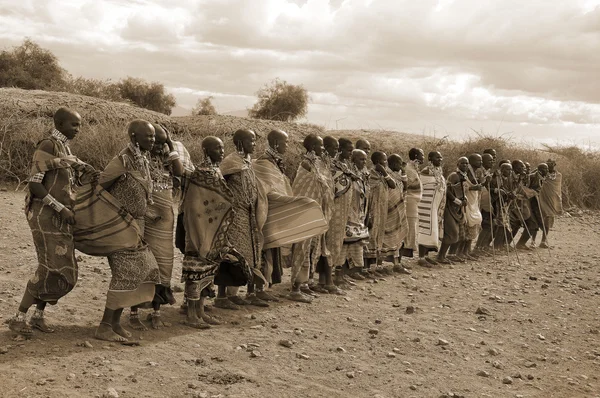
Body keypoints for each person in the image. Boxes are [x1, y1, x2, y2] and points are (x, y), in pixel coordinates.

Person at [8, 107, 99, 337]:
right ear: (59, 123)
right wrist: (60, 208)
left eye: (79, 124)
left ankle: (38, 316)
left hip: (61, 216)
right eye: (74, 125)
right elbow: (35, 185)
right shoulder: (47, 145)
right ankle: (19, 318)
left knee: (61, 268)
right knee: (49, 266)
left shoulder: (64, 148)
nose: (78, 129)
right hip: (45, 215)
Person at [95, 120, 161, 342]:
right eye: (148, 136)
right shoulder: (122, 160)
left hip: (137, 226)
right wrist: (116, 212)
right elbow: (99, 188)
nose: (152, 140)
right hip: (119, 227)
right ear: (134, 137)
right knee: (124, 273)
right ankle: (105, 326)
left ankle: (114, 323)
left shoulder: (142, 159)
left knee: (144, 268)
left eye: (153, 136)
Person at [180, 136, 244, 328]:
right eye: (217, 148)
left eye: (223, 148)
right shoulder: (201, 173)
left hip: (213, 229)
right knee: (195, 272)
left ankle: (200, 311)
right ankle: (192, 315)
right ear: (206, 151)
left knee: (208, 273)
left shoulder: (215, 170)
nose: (221, 151)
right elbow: (196, 204)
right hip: (199, 230)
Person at [218, 129, 267, 308]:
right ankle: (222, 297)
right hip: (234, 216)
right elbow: (218, 183)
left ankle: (237, 293)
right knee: (231, 255)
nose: (254, 144)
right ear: (239, 142)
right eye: (251, 141)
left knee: (249, 253)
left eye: (254, 141)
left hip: (248, 215)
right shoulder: (230, 162)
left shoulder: (247, 162)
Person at [291, 134, 343, 296]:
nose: (323, 149)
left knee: (314, 249)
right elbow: (302, 187)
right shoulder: (306, 165)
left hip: (319, 212)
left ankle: (307, 282)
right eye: (321, 146)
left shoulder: (320, 164)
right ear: (313, 147)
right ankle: (296, 287)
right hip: (307, 212)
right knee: (302, 249)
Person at [143, 123, 184, 328]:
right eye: (156, 142)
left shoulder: (166, 159)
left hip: (166, 220)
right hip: (146, 220)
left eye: (162, 143)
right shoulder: (140, 160)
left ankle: (156, 311)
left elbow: (180, 171)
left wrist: (169, 144)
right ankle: (134, 311)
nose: (158, 146)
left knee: (164, 264)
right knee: (144, 264)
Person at [327, 138, 356, 288]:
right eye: (348, 150)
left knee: (341, 243)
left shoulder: (345, 165)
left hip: (344, 211)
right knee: (332, 243)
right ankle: (328, 279)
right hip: (335, 211)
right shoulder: (331, 166)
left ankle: (338, 276)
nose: (351, 153)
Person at [365, 151, 396, 275]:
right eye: (384, 160)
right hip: (372, 210)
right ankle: (368, 268)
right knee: (371, 237)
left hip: (382, 210)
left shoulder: (384, 175)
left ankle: (376, 266)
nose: (386, 163)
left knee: (379, 237)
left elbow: (392, 185)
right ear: (378, 162)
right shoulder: (370, 174)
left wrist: (384, 173)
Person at [342, 149, 370, 280]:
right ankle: (341, 274)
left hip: (359, 213)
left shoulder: (362, 174)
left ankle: (353, 271)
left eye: (365, 159)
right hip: (348, 212)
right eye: (361, 159)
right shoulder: (349, 173)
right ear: (353, 159)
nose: (364, 162)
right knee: (347, 242)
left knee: (357, 242)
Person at [436, 157, 469, 264]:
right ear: (458, 164)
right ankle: (440, 256)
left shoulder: (463, 176)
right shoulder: (454, 175)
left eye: (466, 163)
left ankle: (451, 254)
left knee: (460, 233)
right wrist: (458, 201)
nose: (465, 165)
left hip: (458, 209)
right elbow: (448, 191)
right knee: (451, 233)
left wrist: (464, 199)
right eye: (462, 163)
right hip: (450, 207)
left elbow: (462, 191)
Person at [416, 151, 446, 267]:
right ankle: (421, 257)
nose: (440, 159)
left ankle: (427, 256)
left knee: (432, 231)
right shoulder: (426, 171)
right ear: (430, 159)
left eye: (441, 157)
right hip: (426, 206)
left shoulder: (438, 172)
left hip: (435, 206)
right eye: (437, 157)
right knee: (425, 230)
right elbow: (421, 187)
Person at [382, 154, 410, 273]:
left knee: (399, 236)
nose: (400, 166)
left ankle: (397, 264)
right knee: (385, 238)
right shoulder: (386, 175)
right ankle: (379, 265)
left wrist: (403, 173)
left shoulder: (398, 175)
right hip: (387, 211)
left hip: (398, 209)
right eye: (399, 163)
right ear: (392, 163)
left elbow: (405, 188)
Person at [516, 163, 548, 250]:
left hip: (531, 202)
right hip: (524, 202)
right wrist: (532, 192)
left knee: (534, 224)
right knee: (531, 224)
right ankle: (518, 244)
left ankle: (521, 244)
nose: (528, 170)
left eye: (529, 168)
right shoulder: (530, 177)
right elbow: (522, 190)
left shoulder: (536, 177)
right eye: (526, 168)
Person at [403, 148, 424, 259]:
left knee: (412, 226)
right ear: (416, 156)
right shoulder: (408, 169)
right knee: (410, 226)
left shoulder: (413, 168)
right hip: (410, 201)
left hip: (414, 201)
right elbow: (406, 185)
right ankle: (405, 250)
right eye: (422, 155)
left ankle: (408, 251)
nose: (423, 158)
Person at [537, 159, 562, 248]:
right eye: (547, 164)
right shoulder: (540, 173)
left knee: (548, 219)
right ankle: (532, 241)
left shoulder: (558, 176)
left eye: (551, 164)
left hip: (551, 200)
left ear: (554, 165)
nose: (549, 166)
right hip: (541, 198)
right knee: (538, 218)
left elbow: (557, 189)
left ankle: (543, 241)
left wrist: (558, 201)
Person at [474, 153, 495, 253]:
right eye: (490, 160)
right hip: (478, 200)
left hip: (485, 199)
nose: (492, 162)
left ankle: (481, 246)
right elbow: (477, 185)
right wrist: (486, 181)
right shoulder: (479, 171)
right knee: (486, 224)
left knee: (488, 223)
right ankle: (477, 247)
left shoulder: (487, 171)